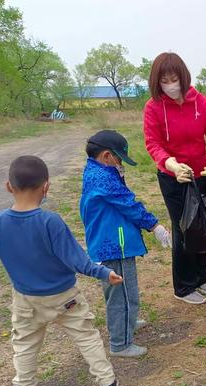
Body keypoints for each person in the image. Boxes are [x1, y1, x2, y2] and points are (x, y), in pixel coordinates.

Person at [0, 156, 121, 386]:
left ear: (9, 186)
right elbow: (76, 259)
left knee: (25, 344)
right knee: (86, 335)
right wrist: (104, 273)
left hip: (26, 299)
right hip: (65, 296)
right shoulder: (49, 221)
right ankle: (108, 382)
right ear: (46, 186)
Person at [80, 130, 171, 358]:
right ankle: (121, 343)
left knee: (125, 291)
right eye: (119, 159)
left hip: (113, 241)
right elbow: (128, 204)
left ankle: (128, 321)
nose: (122, 164)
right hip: (114, 245)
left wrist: (118, 174)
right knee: (121, 293)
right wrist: (154, 226)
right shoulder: (102, 178)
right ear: (107, 156)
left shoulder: (97, 171)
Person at [143, 52, 206, 305]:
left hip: (202, 173)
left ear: (183, 77)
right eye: (164, 80)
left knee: (204, 225)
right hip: (173, 177)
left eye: (174, 78)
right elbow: (153, 144)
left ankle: (201, 278)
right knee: (183, 228)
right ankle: (184, 286)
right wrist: (172, 164)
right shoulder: (153, 108)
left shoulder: (201, 102)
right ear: (157, 82)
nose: (170, 85)